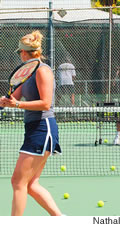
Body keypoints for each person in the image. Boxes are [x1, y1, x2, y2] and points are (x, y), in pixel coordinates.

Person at [0, 31, 62, 216]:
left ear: (25, 52)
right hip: (33, 129)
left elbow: (45, 103)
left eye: (20, 52)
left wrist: (17, 104)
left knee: (18, 181)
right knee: (30, 184)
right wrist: (6, 101)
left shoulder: (43, 70)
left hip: (43, 128)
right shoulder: (25, 73)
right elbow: (12, 97)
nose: (20, 55)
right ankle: (61, 218)